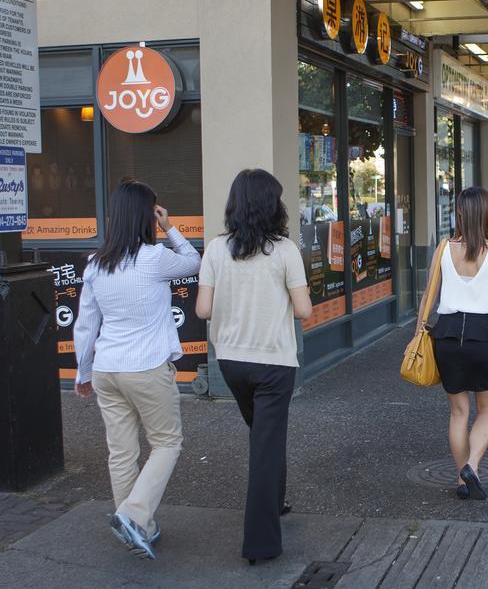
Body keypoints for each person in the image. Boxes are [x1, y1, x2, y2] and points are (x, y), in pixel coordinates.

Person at [72, 182, 201, 560]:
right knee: (166, 443)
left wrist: (83, 372)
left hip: (108, 369)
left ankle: (135, 527)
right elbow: (194, 262)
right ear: (149, 216)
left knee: (121, 452)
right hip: (145, 367)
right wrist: (170, 228)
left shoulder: (96, 264)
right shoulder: (154, 258)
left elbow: (85, 324)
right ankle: (132, 515)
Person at [195, 169, 313, 564]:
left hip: (230, 361)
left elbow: (203, 309)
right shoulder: (284, 251)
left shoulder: (215, 249)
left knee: (266, 437)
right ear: (271, 206)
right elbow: (304, 311)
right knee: (264, 446)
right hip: (275, 363)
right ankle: (260, 544)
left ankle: (276, 502)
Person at [420, 187, 488, 500]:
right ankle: (472, 467)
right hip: (483, 335)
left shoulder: (444, 248)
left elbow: (428, 295)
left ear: (459, 212)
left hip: (446, 335)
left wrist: (419, 331)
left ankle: (463, 481)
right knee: (487, 411)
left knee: (458, 413)